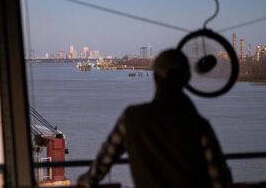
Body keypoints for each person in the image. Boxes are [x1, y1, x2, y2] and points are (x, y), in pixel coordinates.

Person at [77, 49, 232, 188]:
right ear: (186, 80)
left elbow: (102, 163)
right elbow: (220, 181)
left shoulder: (132, 118)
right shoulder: (199, 125)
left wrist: (86, 180)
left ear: (155, 79)